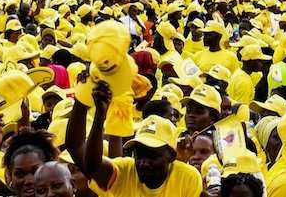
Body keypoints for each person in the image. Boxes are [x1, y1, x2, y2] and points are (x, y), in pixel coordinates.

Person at [66, 81, 201, 197]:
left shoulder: (187, 177)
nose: (143, 163)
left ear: (171, 156)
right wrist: (98, 113)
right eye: (139, 155)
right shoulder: (124, 171)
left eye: (152, 156)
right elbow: (81, 154)